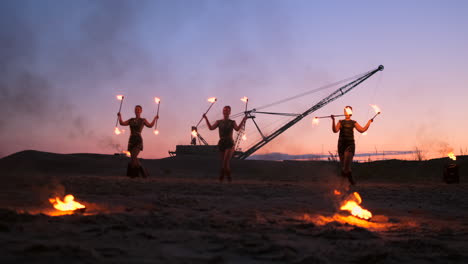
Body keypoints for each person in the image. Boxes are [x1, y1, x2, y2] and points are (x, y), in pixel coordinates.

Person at [203, 106, 247, 182]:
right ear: (223, 112)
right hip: (221, 143)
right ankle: (229, 180)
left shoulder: (232, 122)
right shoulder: (218, 122)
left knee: (225, 162)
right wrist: (205, 118)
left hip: (229, 143)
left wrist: (243, 120)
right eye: (224, 110)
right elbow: (210, 128)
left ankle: (222, 178)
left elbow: (237, 129)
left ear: (229, 112)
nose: (225, 111)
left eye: (227, 110)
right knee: (224, 164)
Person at [331, 106, 373, 185]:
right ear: (344, 112)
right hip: (341, 145)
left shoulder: (354, 122)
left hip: (350, 144)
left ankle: (343, 182)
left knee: (346, 166)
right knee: (344, 166)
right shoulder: (340, 121)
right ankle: (350, 180)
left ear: (351, 112)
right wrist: (333, 120)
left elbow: (362, 130)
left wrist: (369, 122)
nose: (346, 112)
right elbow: (335, 130)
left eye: (347, 110)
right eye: (345, 111)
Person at [118, 105, 158, 178]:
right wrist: (119, 116)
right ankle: (144, 174)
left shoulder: (143, 120)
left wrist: (155, 118)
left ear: (141, 111)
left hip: (138, 140)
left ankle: (133, 176)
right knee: (134, 158)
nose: (137, 111)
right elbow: (121, 123)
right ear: (134, 111)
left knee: (133, 157)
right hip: (131, 140)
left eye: (138, 109)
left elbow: (150, 125)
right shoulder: (131, 120)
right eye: (136, 109)